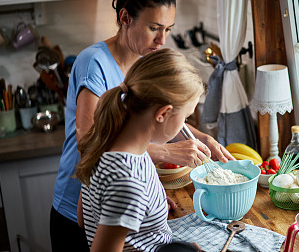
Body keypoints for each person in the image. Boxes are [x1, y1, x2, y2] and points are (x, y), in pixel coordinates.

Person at [50, 0, 234, 251]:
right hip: (77, 213)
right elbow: (89, 141)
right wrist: (164, 155)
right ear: (125, 18)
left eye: (168, 29)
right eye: (154, 28)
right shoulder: (95, 63)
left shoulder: (143, 60)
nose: (162, 40)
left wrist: (151, 201)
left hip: (98, 198)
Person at [75, 48, 203, 251]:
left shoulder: (106, 140)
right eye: (185, 118)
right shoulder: (128, 179)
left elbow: (84, 218)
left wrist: (149, 208)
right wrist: (132, 201)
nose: (184, 125)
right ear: (163, 114)